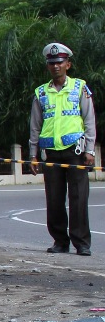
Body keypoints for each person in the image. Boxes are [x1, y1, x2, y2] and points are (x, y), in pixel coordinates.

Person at [29, 42, 96, 256]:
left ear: (68, 64)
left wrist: (90, 150)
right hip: (50, 152)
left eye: (59, 63)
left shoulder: (79, 88)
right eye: (52, 63)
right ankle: (60, 241)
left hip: (75, 151)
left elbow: (89, 121)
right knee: (54, 199)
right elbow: (35, 126)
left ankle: (82, 243)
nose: (55, 66)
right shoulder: (41, 93)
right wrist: (32, 155)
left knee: (78, 199)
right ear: (48, 66)